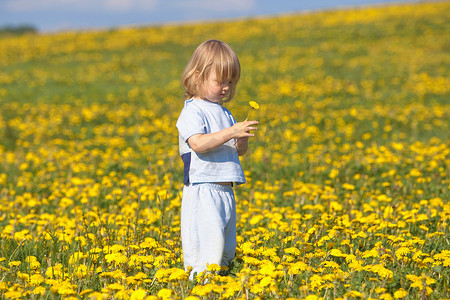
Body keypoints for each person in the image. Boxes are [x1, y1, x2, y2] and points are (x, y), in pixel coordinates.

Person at [176, 40, 258, 279]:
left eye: (230, 82)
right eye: (220, 81)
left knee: (226, 247)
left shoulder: (225, 112)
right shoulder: (192, 110)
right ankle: (200, 285)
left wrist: (240, 140)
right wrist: (231, 132)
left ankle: (221, 283)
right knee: (206, 247)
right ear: (198, 76)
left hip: (225, 188)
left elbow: (237, 151)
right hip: (203, 187)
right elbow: (199, 144)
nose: (226, 87)